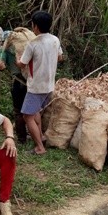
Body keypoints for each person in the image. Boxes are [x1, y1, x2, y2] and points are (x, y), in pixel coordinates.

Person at [16, 11, 63, 155]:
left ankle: (39, 147)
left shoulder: (33, 44)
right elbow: (60, 57)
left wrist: (17, 58)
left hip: (36, 87)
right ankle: (41, 137)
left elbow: (22, 64)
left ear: (35, 27)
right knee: (36, 111)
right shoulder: (55, 40)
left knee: (27, 116)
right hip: (49, 85)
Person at [0, 27, 36, 144]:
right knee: (32, 111)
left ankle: (22, 138)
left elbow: (1, 64)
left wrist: (1, 65)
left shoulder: (4, 50)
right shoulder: (27, 46)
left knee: (18, 111)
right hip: (32, 82)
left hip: (18, 83)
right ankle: (33, 135)